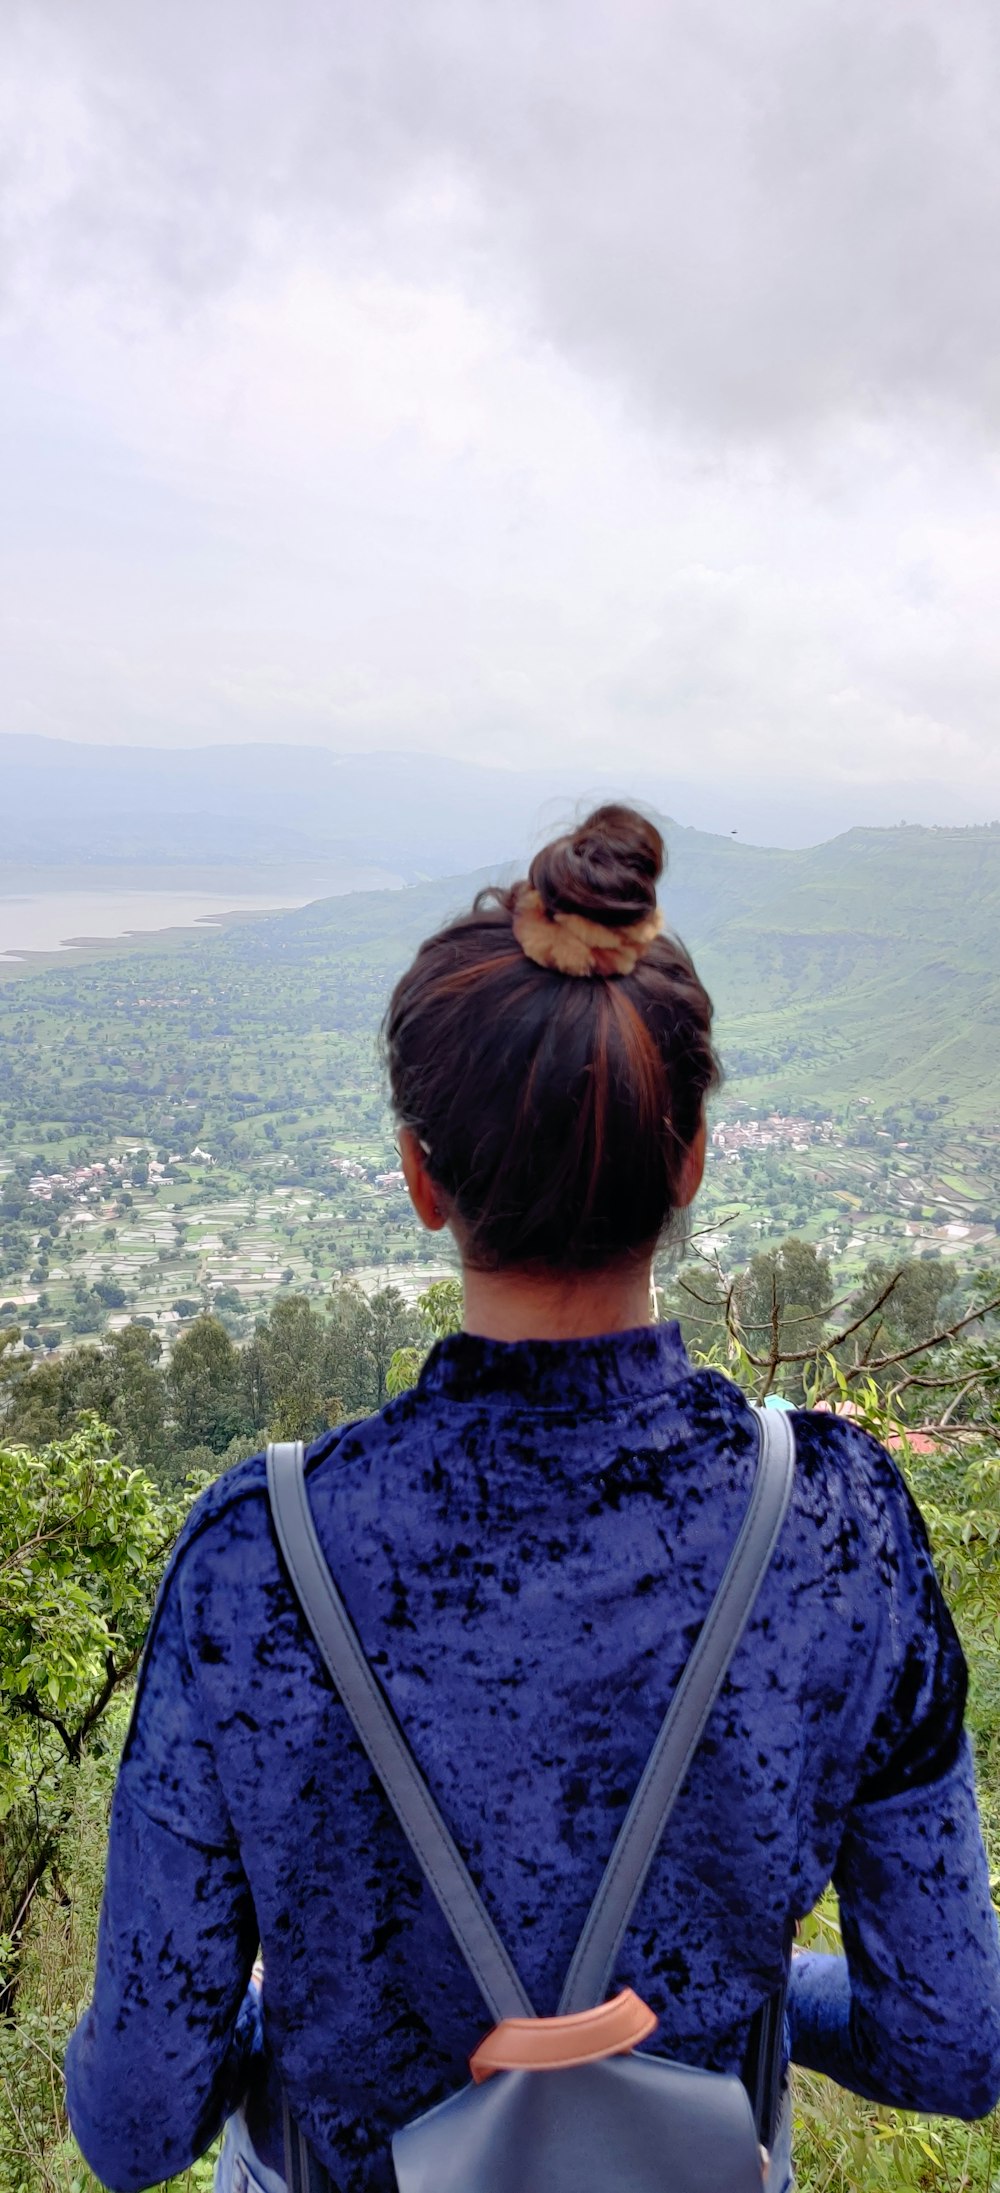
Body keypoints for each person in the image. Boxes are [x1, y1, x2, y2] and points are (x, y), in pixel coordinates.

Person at [66, 805, 1000, 2193]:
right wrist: (728, 2006)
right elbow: (951, 2043)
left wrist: (319, 2009)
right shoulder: (838, 1528)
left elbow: (135, 2122)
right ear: (688, 1165)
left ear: (421, 1177)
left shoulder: (257, 1563)